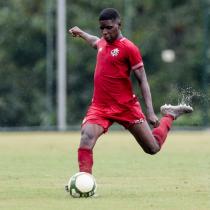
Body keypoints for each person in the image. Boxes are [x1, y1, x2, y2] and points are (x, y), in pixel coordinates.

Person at [68, 8, 193, 174]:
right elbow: (94, 41)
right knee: (86, 138)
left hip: (126, 107)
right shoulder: (102, 43)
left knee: (152, 148)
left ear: (119, 25)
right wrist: (81, 32)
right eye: (102, 28)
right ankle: (84, 181)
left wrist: (150, 112)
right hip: (100, 108)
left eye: (109, 28)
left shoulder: (129, 48)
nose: (105, 32)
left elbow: (143, 80)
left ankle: (169, 114)